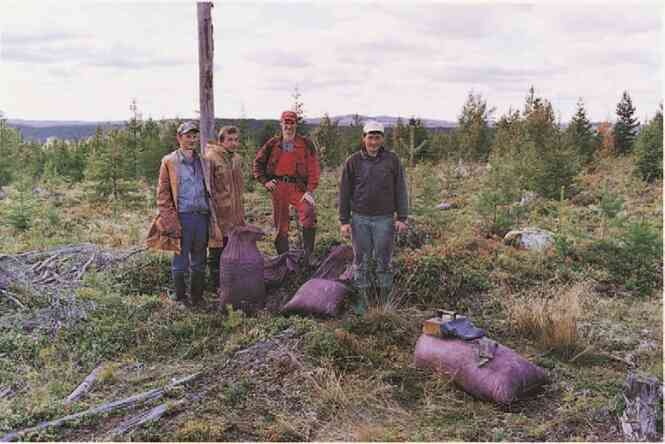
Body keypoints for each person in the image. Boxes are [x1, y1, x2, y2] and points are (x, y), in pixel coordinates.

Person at [146, 121, 224, 306]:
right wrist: (170, 221)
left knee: (199, 261)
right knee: (180, 261)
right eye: (188, 136)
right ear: (179, 138)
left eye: (194, 136)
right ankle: (180, 297)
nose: (192, 140)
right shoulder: (169, 161)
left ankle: (197, 297)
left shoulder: (205, 161)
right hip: (182, 217)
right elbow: (163, 194)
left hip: (202, 217)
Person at [338, 121, 409, 315]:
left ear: (382, 139)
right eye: (370, 137)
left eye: (377, 137)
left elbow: (401, 189)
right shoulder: (353, 162)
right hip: (359, 218)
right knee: (361, 260)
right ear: (364, 138)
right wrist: (344, 221)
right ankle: (363, 302)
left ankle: (384, 301)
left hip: (384, 219)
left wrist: (402, 217)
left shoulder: (392, 160)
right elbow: (344, 192)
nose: (373, 141)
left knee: (383, 260)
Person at [253, 110, 320, 264]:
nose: (289, 126)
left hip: (298, 187)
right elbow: (257, 162)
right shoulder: (273, 143)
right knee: (281, 224)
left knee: (308, 211)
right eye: (286, 122)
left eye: (292, 122)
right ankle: (284, 259)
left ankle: (308, 254)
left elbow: (313, 168)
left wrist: (309, 190)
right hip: (279, 186)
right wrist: (264, 181)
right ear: (281, 124)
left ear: (296, 124)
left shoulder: (305, 144)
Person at [205, 125, 246, 291]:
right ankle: (215, 286)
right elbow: (208, 189)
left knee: (232, 250)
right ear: (221, 141)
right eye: (230, 140)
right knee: (216, 250)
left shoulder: (236, 159)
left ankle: (230, 283)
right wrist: (211, 214)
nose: (234, 143)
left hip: (235, 213)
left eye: (236, 140)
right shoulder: (211, 158)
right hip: (218, 214)